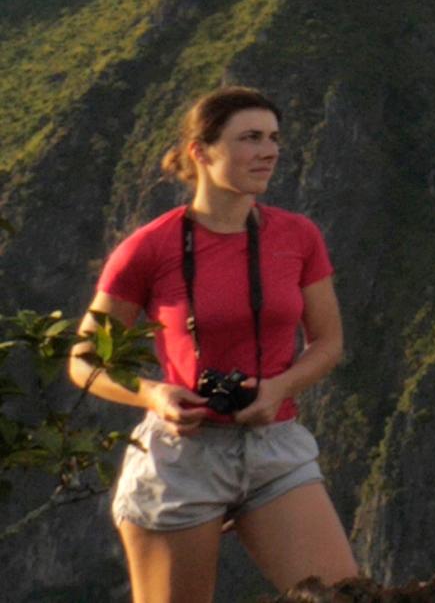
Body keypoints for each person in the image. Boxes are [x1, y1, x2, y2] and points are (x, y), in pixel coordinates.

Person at [66, 88, 358, 603]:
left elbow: (328, 342)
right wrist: (154, 395)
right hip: (183, 460)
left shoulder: (298, 237)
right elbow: (85, 359)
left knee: (347, 597)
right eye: (250, 138)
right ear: (202, 152)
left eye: (273, 138)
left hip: (274, 448)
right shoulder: (149, 248)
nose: (269, 151)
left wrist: (280, 388)